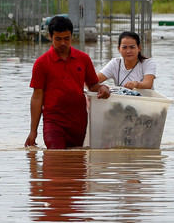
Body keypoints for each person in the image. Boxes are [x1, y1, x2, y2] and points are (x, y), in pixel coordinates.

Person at [25, 15, 111, 149]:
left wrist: (103, 87)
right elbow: (37, 97)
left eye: (67, 38)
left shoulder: (83, 59)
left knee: (75, 163)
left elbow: (93, 85)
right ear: (50, 37)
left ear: (72, 37)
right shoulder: (41, 63)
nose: (63, 43)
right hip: (53, 122)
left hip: (78, 122)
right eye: (58, 39)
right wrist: (33, 131)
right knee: (56, 158)